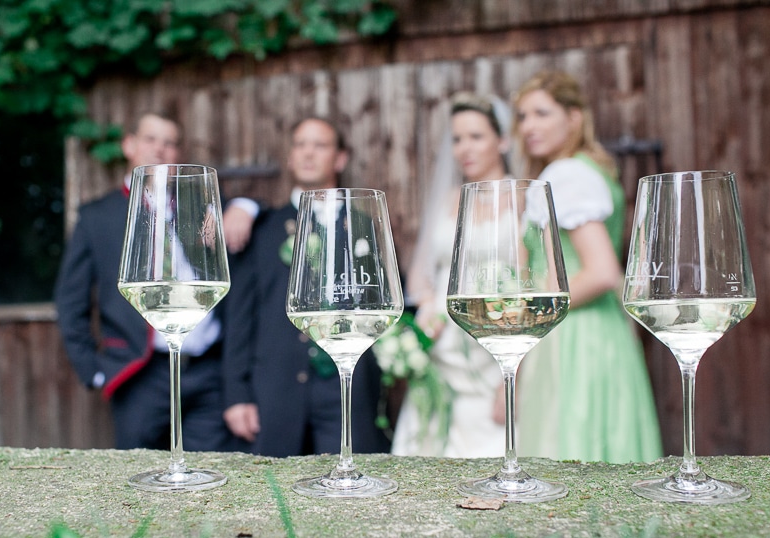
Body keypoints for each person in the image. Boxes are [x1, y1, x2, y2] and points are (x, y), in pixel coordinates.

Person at [54, 112, 257, 451]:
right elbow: (70, 300)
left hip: (208, 370)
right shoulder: (97, 216)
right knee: (142, 474)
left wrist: (245, 207)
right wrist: (94, 371)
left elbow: (254, 219)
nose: (160, 149)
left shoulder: (199, 206)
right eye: (151, 139)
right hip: (141, 373)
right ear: (129, 145)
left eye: (170, 143)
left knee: (211, 475)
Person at [512, 70, 662, 463]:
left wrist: (526, 314)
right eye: (523, 116)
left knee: (570, 453)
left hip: (573, 337)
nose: (528, 126)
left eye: (542, 113)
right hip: (600, 328)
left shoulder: (567, 174)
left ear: (574, 117)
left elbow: (601, 272)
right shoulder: (587, 169)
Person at [222, 117, 390, 457]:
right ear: (290, 157)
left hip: (349, 387)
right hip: (275, 387)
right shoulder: (263, 227)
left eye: (320, 145)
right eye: (300, 144)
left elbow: (384, 304)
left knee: (352, 486)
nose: (308, 153)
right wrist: (236, 394)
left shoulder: (366, 224)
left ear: (340, 158)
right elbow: (240, 314)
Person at [391, 92, 508, 458]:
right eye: (457, 139)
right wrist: (426, 306)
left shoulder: (523, 199)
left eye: (476, 137)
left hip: (494, 349)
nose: (464, 148)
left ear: (502, 140)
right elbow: (423, 275)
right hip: (441, 346)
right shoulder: (448, 199)